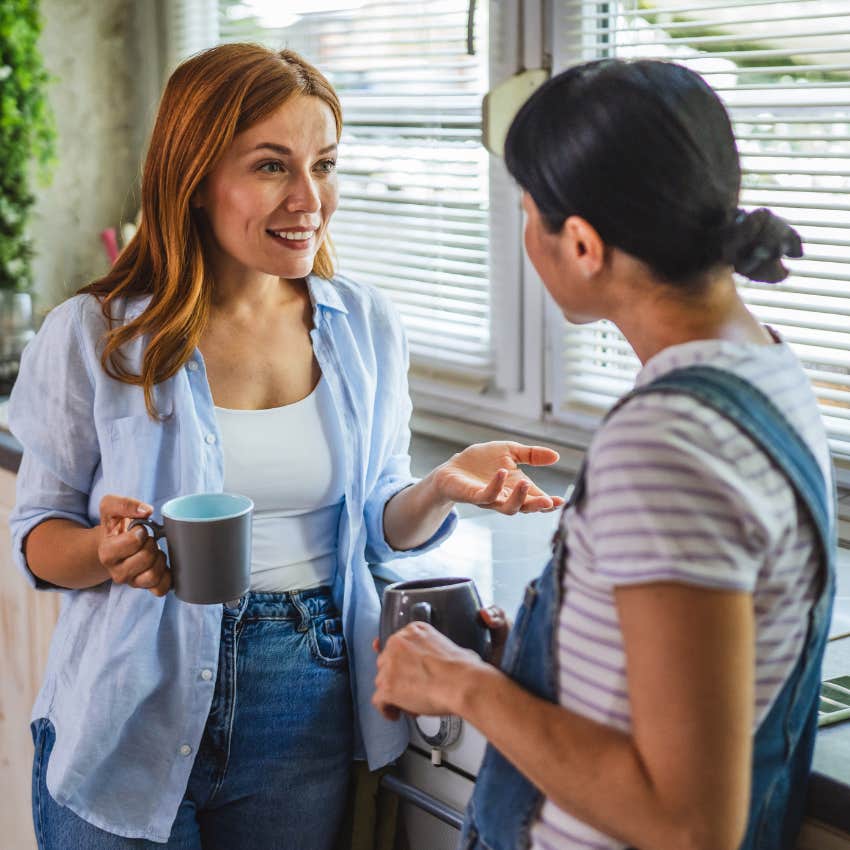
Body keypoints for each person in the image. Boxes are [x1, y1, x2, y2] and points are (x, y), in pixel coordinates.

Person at [9, 43, 565, 850]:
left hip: (305, 705)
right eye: (272, 166)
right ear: (195, 180)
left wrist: (441, 486)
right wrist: (105, 548)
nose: (310, 198)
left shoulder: (364, 326)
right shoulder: (98, 337)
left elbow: (375, 523)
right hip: (127, 708)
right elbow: (38, 540)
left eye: (325, 164)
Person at [373, 58, 835, 850]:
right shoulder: (765, 369)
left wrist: (464, 686)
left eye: (528, 210)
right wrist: (534, 661)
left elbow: (688, 822)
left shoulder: (666, 445)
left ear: (582, 244)